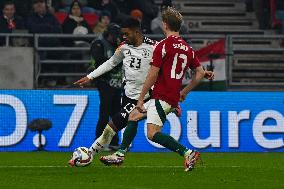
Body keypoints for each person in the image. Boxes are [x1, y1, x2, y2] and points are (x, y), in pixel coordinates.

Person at [100, 7, 214, 172]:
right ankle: (120, 154)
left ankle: (187, 153)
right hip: (170, 96)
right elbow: (199, 73)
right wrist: (184, 92)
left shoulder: (162, 45)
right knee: (133, 116)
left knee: (152, 133)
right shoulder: (188, 49)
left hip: (162, 96)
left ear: (165, 25)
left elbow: (152, 74)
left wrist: (140, 98)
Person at [69, 17, 158, 166]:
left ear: (137, 32)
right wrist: (90, 76)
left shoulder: (155, 47)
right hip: (128, 96)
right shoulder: (123, 47)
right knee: (128, 125)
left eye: (126, 33)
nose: (123, 37)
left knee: (112, 126)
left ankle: (90, 154)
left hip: (144, 98)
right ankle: (116, 153)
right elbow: (111, 63)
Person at [89, 23, 123, 150]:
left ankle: (114, 142)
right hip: (104, 82)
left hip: (117, 83)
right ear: (108, 34)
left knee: (116, 114)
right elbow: (98, 62)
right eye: (113, 36)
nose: (115, 38)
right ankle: (99, 141)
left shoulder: (119, 46)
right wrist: (116, 62)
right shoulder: (98, 44)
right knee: (104, 113)